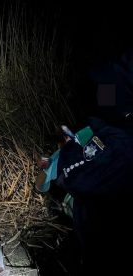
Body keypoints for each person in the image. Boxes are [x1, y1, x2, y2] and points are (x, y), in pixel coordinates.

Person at [35, 118, 133, 275]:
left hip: (94, 210)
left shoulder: (59, 157)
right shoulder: (90, 132)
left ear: (59, 143)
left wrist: (46, 163)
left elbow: (39, 186)